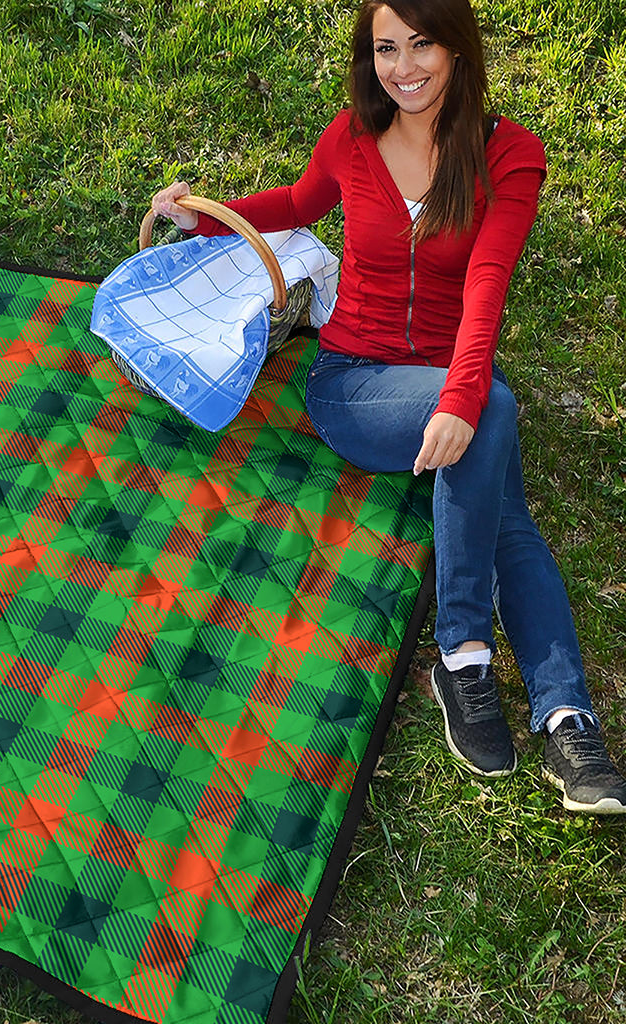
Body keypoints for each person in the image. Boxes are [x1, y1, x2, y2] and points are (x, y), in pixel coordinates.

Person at [150, 0, 626, 814]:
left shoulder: (509, 155)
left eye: (422, 44)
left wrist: (462, 396)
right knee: (495, 420)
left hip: (446, 375)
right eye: (385, 49)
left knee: (500, 477)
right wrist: (204, 221)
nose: (403, 67)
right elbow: (298, 205)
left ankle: (562, 715)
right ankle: (469, 654)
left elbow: (487, 284)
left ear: (457, 49)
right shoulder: (352, 137)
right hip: (354, 383)